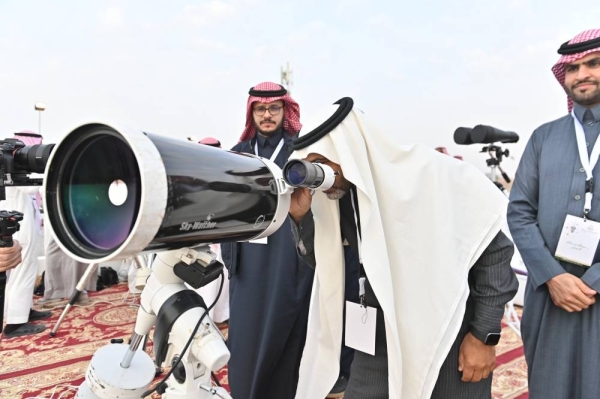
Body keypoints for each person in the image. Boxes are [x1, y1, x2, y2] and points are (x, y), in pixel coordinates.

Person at [287, 98, 518, 398]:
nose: (320, 174)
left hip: (447, 337)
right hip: (378, 344)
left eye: (324, 162)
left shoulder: (433, 174)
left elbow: (495, 255)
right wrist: (300, 217)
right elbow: (325, 263)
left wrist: (484, 335)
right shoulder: (340, 197)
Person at [507, 28, 600, 399]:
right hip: (550, 296)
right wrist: (553, 278)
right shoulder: (543, 137)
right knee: (550, 386)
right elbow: (520, 212)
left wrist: (592, 281)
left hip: (593, 291)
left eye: (593, 63)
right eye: (573, 68)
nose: (582, 75)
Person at [220, 82, 315, 399]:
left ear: (285, 111)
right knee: (245, 338)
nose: (267, 115)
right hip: (248, 263)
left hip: (288, 258)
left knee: (286, 333)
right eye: (260, 109)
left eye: (274, 108)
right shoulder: (238, 153)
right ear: (252, 112)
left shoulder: (300, 152)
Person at [2, 131, 50, 338]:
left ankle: (25, 311)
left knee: (27, 269)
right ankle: (15, 323)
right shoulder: (10, 168)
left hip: (25, 222)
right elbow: (31, 190)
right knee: (21, 272)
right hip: (19, 225)